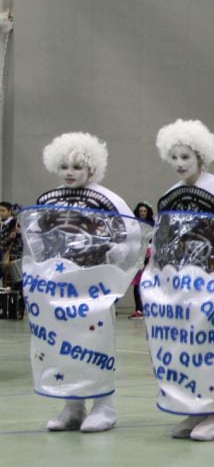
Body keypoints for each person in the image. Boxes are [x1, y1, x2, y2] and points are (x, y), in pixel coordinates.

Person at [22, 133, 149, 432]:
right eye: (65, 165)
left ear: (92, 168)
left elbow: (133, 239)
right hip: (59, 287)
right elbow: (36, 239)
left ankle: (105, 406)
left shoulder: (109, 200)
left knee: (96, 344)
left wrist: (114, 261)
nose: (70, 172)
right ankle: (72, 405)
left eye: (77, 166)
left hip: (95, 288)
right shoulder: (48, 199)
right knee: (62, 347)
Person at [144, 119, 214, 441]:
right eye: (175, 157)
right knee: (187, 348)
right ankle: (196, 409)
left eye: (186, 157)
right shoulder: (170, 195)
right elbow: (162, 240)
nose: (180, 164)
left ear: (201, 156)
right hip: (182, 291)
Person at [128, 202, 154, 318]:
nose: (142, 213)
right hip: (138, 255)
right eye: (140, 211)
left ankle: (148, 308)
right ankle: (138, 309)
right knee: (137, 284)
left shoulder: (153, 225)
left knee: (148, 282)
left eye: (144, 211)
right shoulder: (134, 224)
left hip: (149, 254)